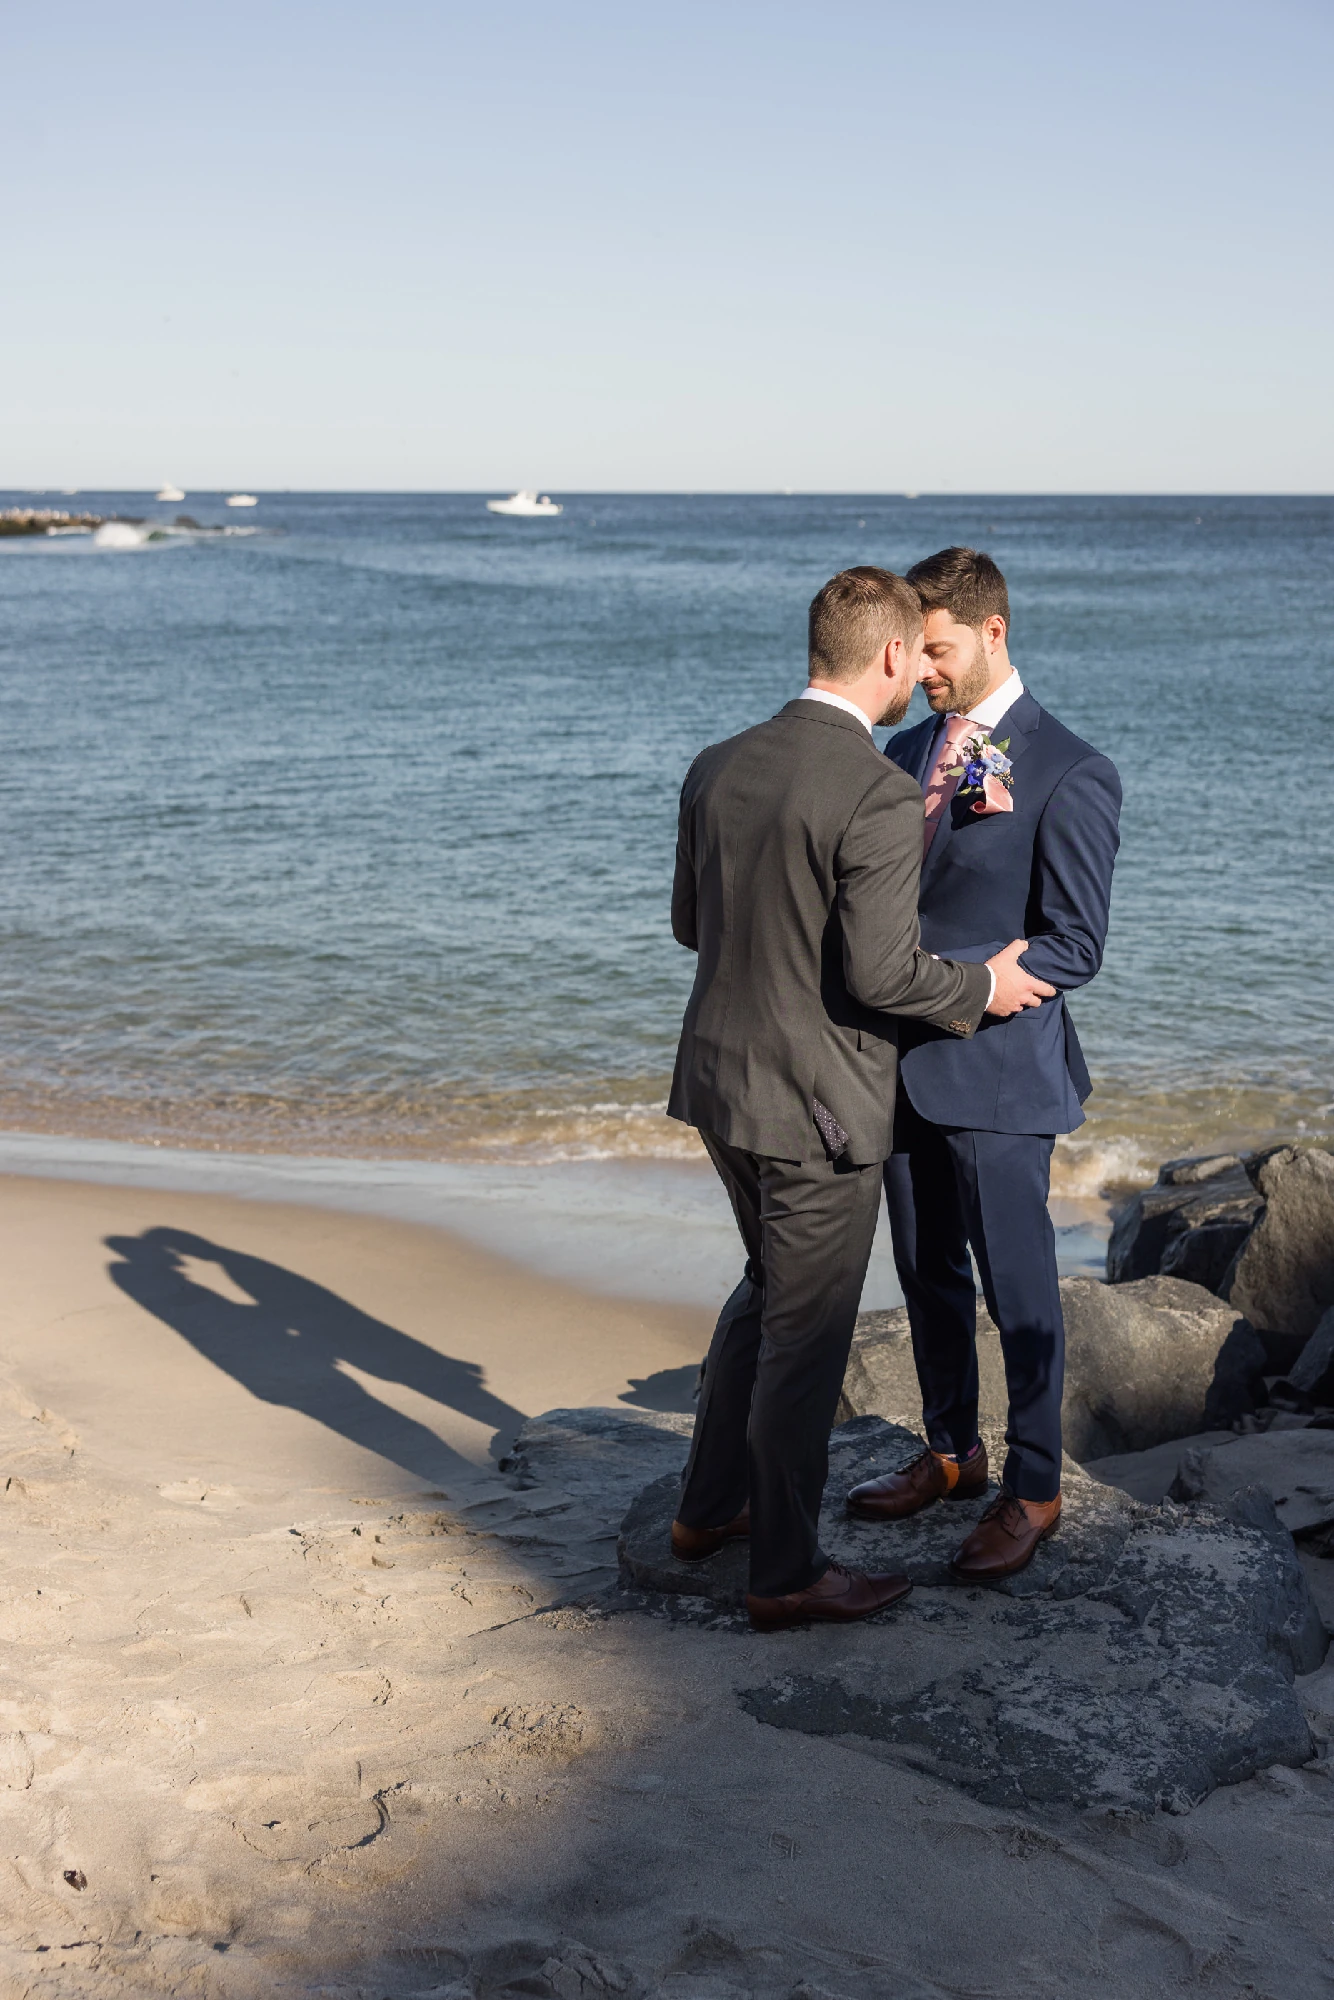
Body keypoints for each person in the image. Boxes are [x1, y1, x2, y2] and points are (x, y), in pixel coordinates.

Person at [666, 566, 1053, 1632]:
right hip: (817, 1107)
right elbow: (885, 977)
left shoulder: (716, 765)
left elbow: (691, 924)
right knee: (805, 1333)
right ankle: (785, 1570)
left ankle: (707, 1511)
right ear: (888, 656)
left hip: (714, 1083)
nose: (920, 673)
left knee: (763, 1288)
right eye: (914, 656)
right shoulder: (874, 788)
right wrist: (982, 986)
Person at [847, 548, 1121, 1579]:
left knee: (1017, 1290)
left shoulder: (1068, 766)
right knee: (923, 1273)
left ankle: (1035, 1485)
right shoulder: (909, 748)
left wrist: (942, 977)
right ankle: (951, 1450)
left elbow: (1072, 942)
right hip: (899, 1066)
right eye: (913, 651)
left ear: (990, 633)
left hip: (1001, 1074)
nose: (919, 668)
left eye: (937, 648)